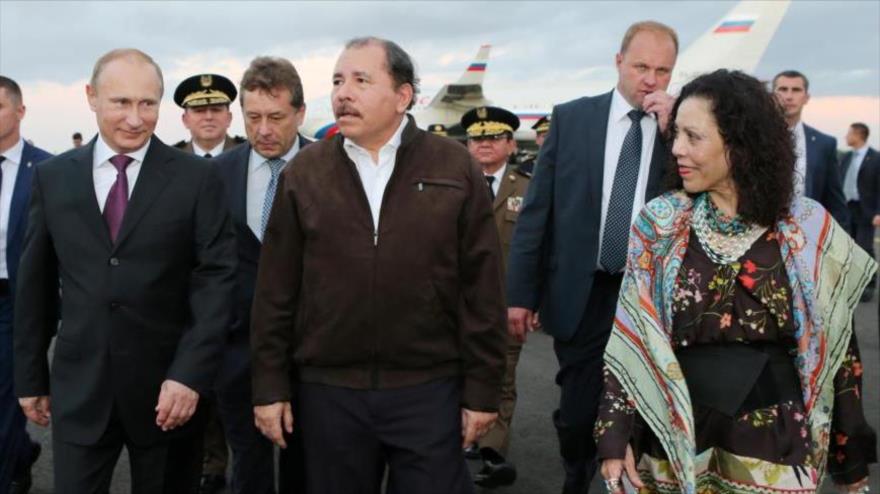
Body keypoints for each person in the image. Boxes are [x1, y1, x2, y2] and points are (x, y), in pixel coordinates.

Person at [596, 69, 875, 494]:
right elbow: (632, 339)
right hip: (674, 437)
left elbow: (840, 351)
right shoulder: (660, 223)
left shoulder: (808, 227)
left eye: (694, 137)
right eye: (676, 136)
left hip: (774, 444)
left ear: (740, 144)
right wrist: (615, 437)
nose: (677, 150)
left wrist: (850, 457)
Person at [249, 36, 506, 494]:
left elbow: (481, 289)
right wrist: (269, 387)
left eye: (361, 80)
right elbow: (275, 291)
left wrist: (483, 391)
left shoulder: (454, 167)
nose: (342, 92)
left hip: (428, 390)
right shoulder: (305, 174)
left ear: (402, 96)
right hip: (329, 394)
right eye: (337, 80)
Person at [13, 48, 237, 494]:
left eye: (147, 104)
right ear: (92, 97)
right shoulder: (54, 177)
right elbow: (34, 284)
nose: (135, 119)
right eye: (121, 103)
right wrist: (31, 376)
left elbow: (216, 280)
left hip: (169, 396)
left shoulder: (197, 179)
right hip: (81, 389)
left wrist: (189, 374)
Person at [506, 20, 677, 493]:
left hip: (646, 297)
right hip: (583, 291)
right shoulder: (573, 117)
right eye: (642, 66)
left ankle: (628, 481)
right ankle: (577, 472)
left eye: (663, 70)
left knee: (644, 405)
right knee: (580, 409)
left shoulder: (679, 130)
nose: (651, 79)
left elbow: (693, 202)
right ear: (619, 61)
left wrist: (674, 131)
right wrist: (520, 293)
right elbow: (537, 212)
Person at [212, 55, 311, 494]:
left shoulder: (333, 168)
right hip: (236, 354)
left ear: (300, 113)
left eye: (276, 117)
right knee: (248, 467)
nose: (264, 130)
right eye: (253, 117)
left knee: (306, 467)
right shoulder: (216, 175)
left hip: (312, 353)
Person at [461, 105, 530, 488]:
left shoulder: (527, 188)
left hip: (507, 305)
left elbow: (539, 249)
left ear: (509, 144)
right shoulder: (453, 182)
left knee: (501, 378)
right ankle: (459, 440)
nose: (484, 145)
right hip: (455, 305)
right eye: (476, 139)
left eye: (492, 138)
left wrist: (531, 300)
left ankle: (492, 451)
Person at [0, 75, 52, 494]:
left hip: (15, 300)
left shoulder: (47, 170)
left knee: (6, 396)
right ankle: (19, 453)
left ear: (20, 111)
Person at [772, 70, 848, 226]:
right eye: (783, 89)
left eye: (796, 90)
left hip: (807, 234)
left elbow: (834, 198)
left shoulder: (824, 143)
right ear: (773, 95)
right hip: (761, 236)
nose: (789, 96)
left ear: (806, 98)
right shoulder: (753, 138)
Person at [840, 122, 878, 302]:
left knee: (865, 248)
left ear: (858, 135)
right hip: (848, 209)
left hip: (867, 211)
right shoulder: (846, 157)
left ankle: (869, 285)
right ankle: (854, 284)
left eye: (849, 133)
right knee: (850, 248)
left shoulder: (876, 158)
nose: (846, 137)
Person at [174, 73, 245, 158]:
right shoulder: (170, 158)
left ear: (229, 118)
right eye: (199, 111)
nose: (209, 117)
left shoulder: (248, 154)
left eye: (216, 110)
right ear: (185, 120)